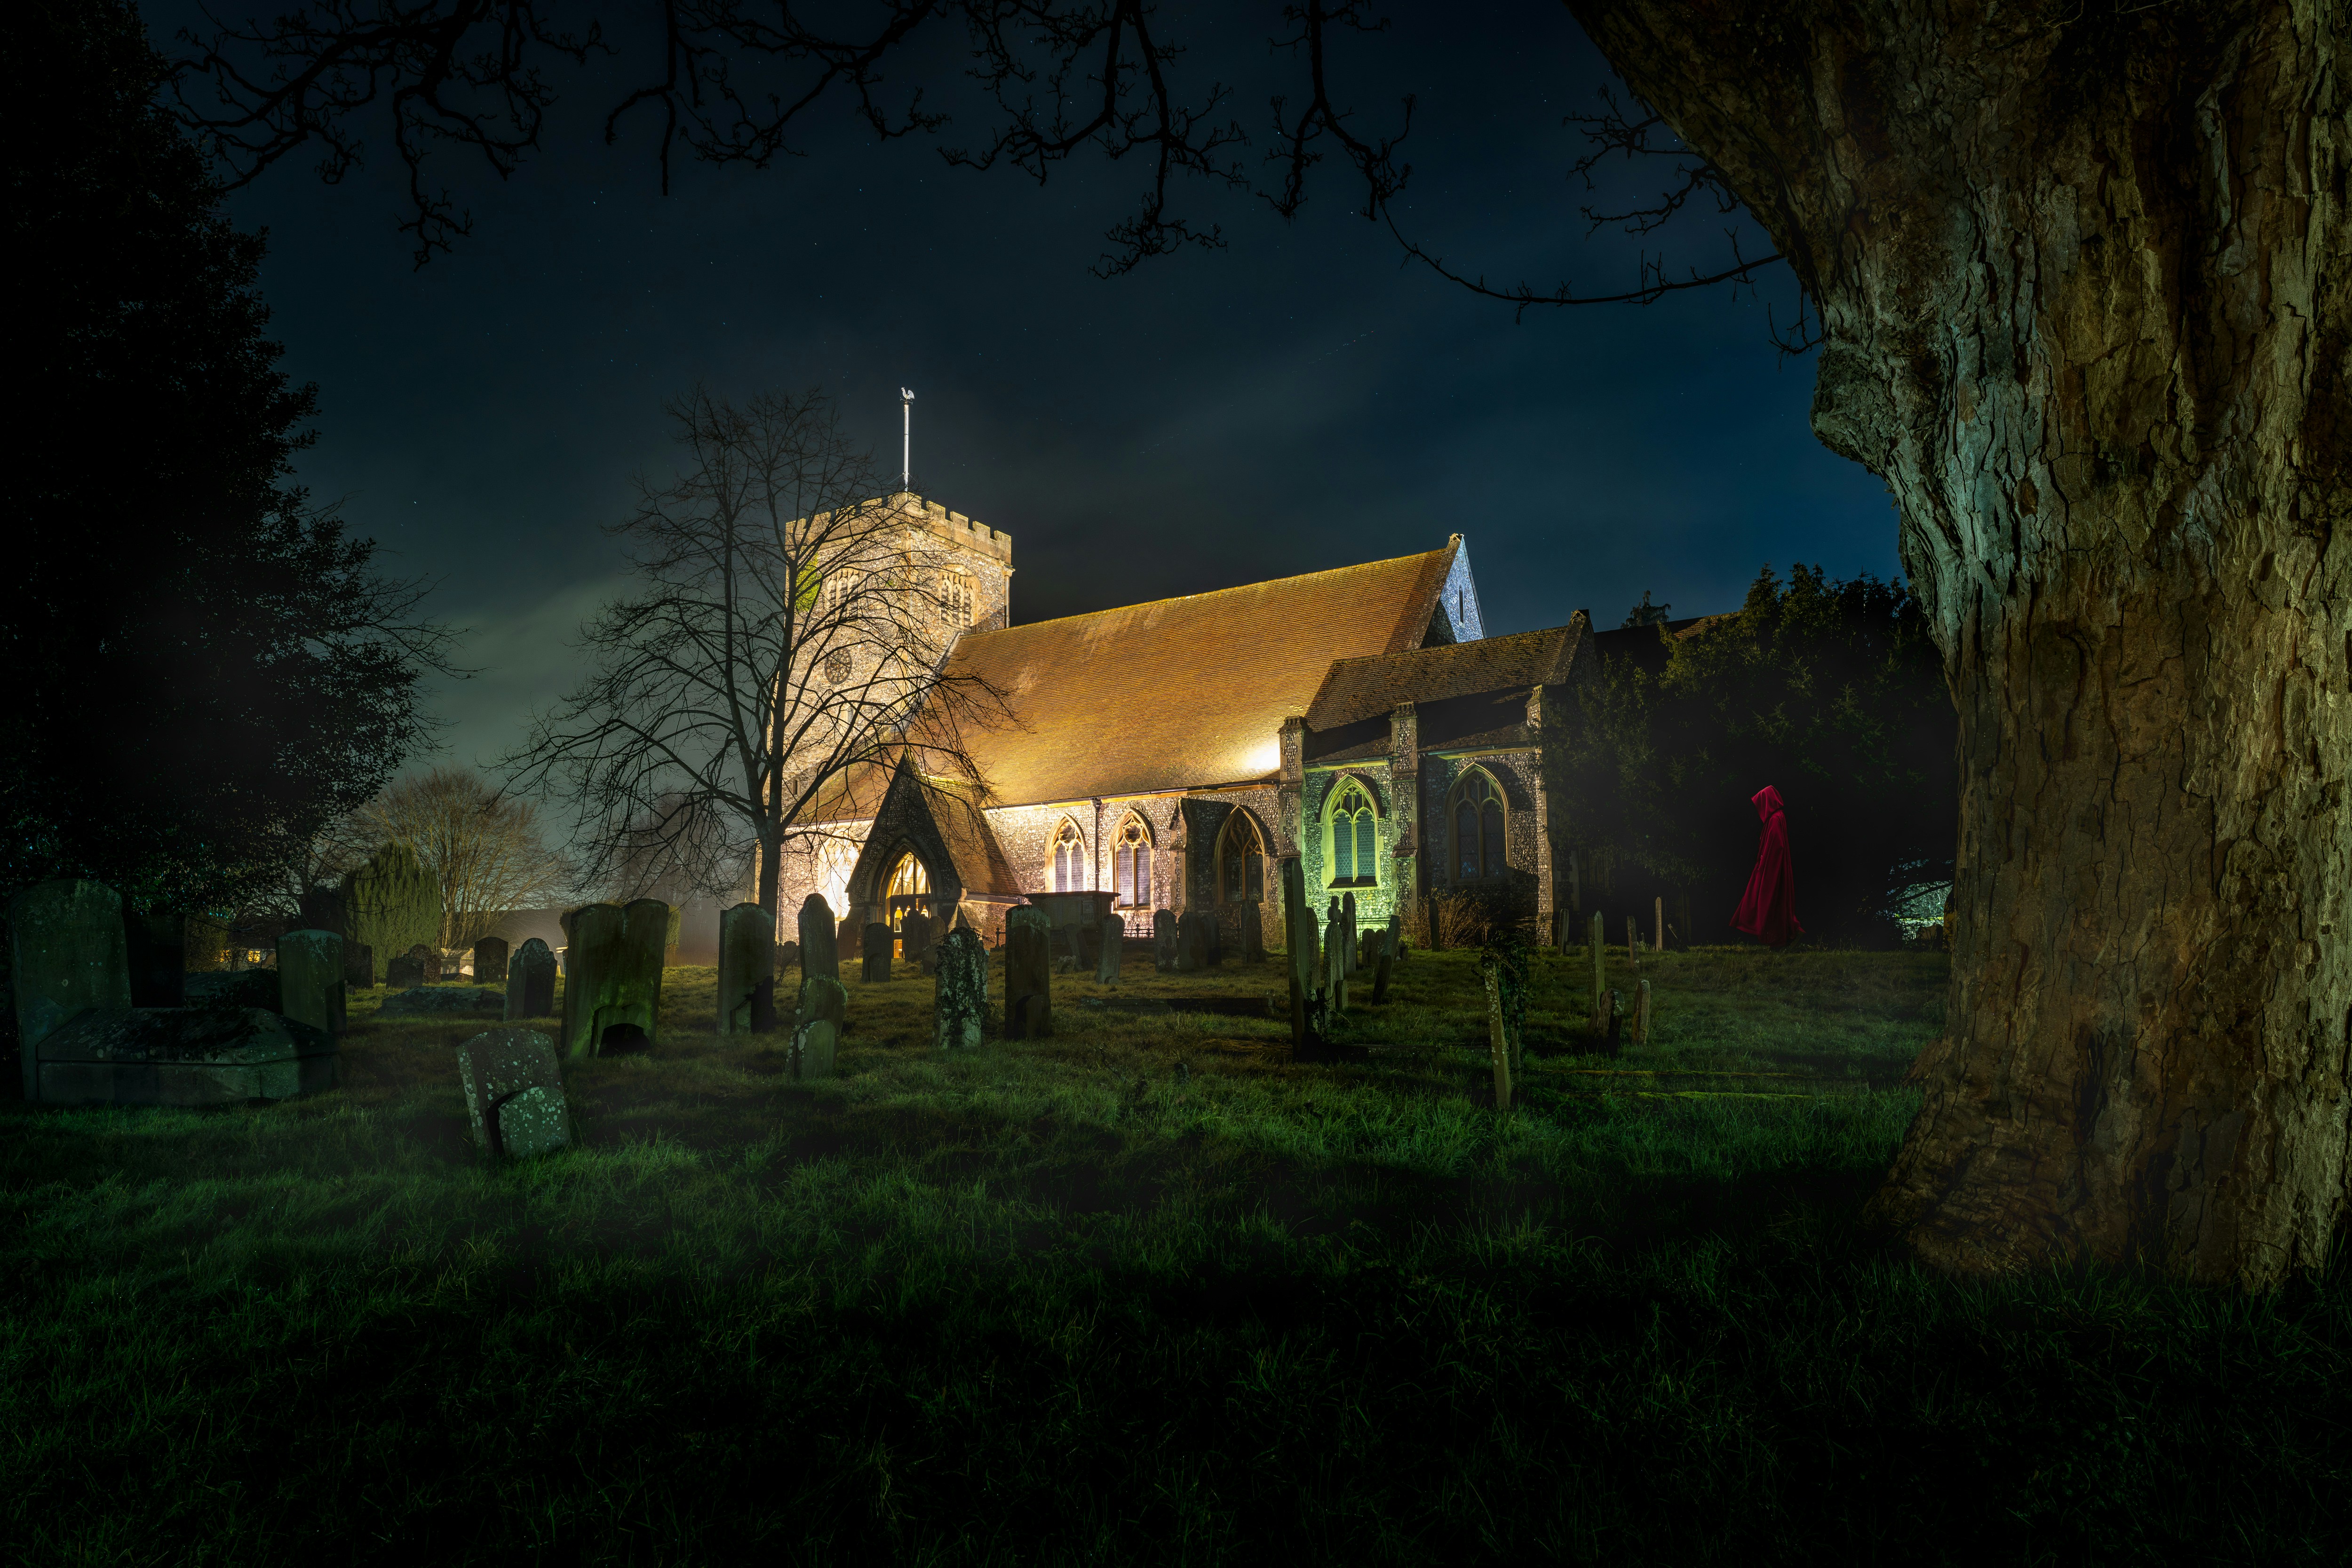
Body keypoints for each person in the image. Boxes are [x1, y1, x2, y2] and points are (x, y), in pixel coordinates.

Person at [1731, 785, 1803, 947]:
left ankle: (1779, 939)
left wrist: (1765, 863)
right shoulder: (1778, 817)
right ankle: (1781, 938)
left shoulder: (1775, 820)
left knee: (1767, 900)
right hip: (1774, 867)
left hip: (1772, 868)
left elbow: (1777, 845)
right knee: (1772, 901)